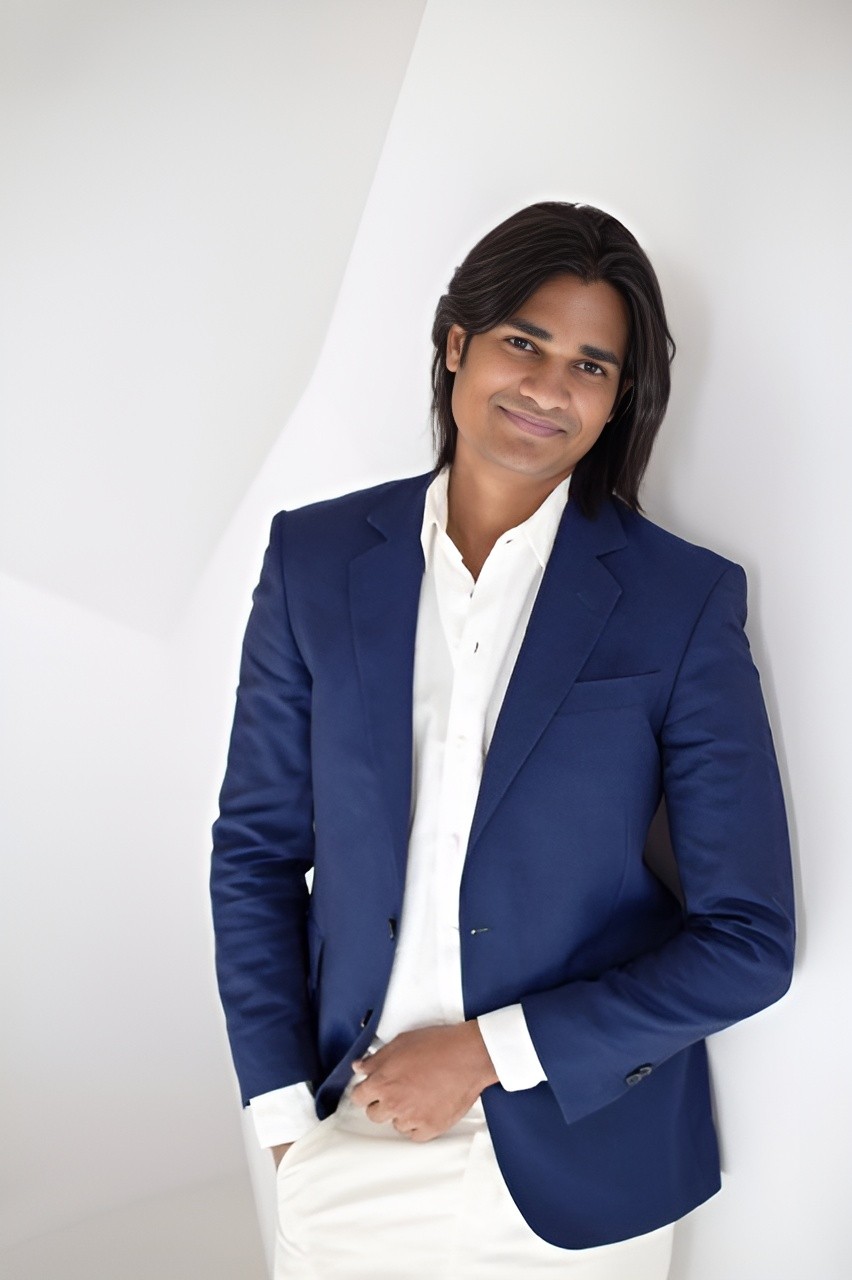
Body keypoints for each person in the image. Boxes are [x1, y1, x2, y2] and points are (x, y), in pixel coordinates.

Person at [210, 202, 795, 1278]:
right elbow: (254, 851)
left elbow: (749, 940)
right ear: (456, 344)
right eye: (525, 342)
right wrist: (286, 1123)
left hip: (589, 1157)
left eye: (591, 365)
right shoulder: (315, 560)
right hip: (354, 1136)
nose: (549, 387)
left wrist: (485, 1053)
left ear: (619, 397)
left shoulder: (679, 601)